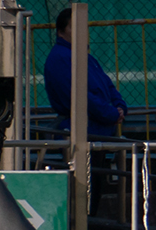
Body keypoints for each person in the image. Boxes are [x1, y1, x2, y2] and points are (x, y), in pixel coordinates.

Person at [43, 7, 128, 138]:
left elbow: (107, 85)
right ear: (61, 32)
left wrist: (119, 106)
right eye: (74, 27)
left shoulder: (84, 56)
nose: (81, 32)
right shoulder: (60, 58)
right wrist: (113, 113)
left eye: (83, 27)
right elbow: (78, 96)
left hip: (96, 128)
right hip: (83, 130)